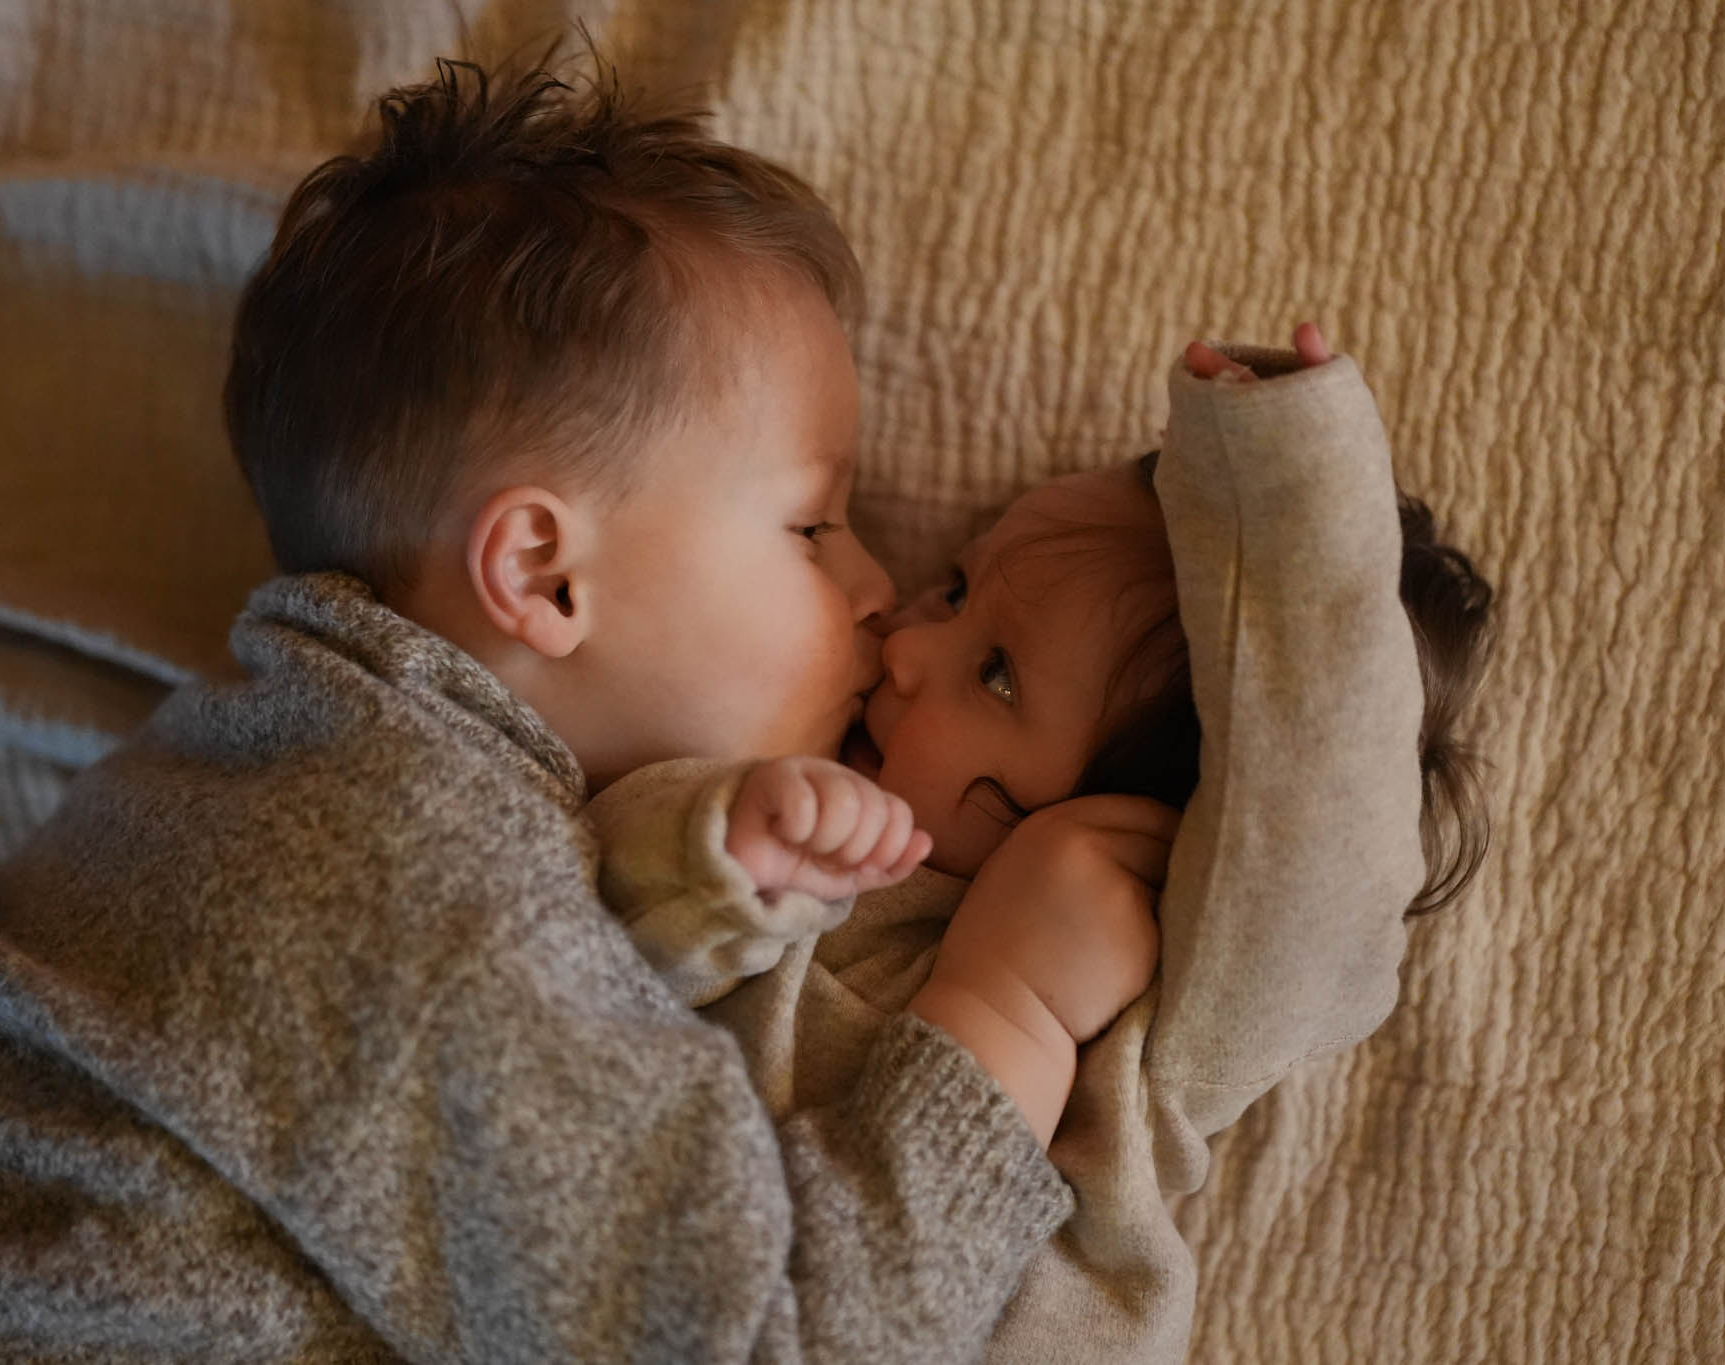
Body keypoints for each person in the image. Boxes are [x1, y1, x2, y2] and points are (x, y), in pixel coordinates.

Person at [0, 52, 1166, 1362]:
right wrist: (1007, 1010)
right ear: (541, 573)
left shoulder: (244, 764)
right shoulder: (420, 884)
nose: (880, 591)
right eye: (812, 528)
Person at [587, 324, 1497, 1361]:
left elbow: (1320, 831)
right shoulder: (778, 792)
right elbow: (580, 928)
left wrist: (1291, 487)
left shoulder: (1143, 1024)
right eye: (958, 590)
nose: (908, 648)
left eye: (998, 676)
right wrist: (727, 854)